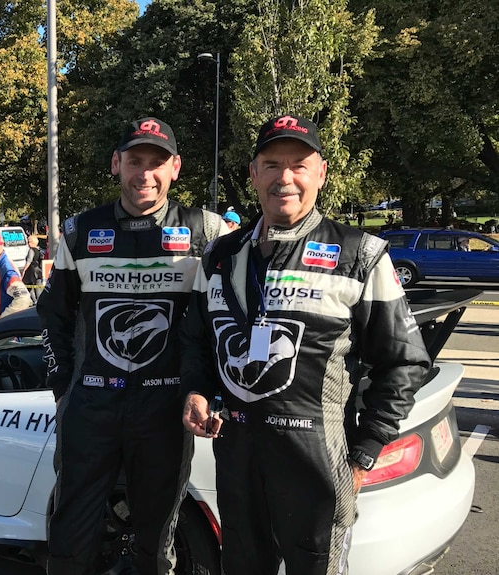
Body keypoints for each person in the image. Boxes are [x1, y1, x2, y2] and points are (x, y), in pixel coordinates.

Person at [179, 114, 431, 575]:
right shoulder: (220, 256)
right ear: (253, 173)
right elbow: (195, 340)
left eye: (299, 164)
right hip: (237, 461)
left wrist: (365, 451)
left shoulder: (360, 253)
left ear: (322, 172)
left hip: (318, 463)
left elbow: (406, 362)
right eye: (272, 164)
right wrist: (196, 390)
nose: (285, 178)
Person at [37, 117, 229, 575]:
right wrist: (63, 386)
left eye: (157, 162)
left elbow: (222, 322)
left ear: (176, 167)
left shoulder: (206, 231)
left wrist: (205, 391)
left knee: (157, 537)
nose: (145, 173)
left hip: (165, 409)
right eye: (134, 161)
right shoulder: (81, 231)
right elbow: (52, 317)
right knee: (70, 533)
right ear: (116, 164)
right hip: (91, 404)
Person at [21, 233, 44, 303]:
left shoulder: (31, 250)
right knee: (38, 287)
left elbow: (29, 261)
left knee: (29, 286)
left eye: (28, 241)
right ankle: (40, 301)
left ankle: (35, 301)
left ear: (31, 242)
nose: (28, 243)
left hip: (32, 271)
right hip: (39, 270)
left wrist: (24, 270)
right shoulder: (39, 250)